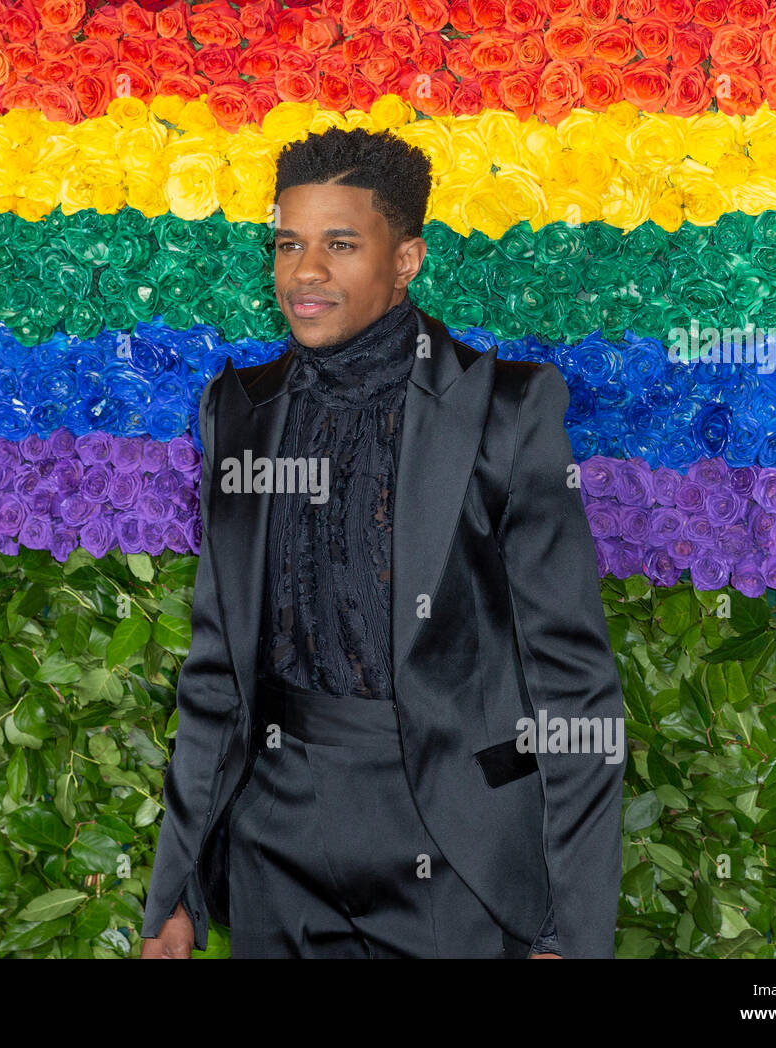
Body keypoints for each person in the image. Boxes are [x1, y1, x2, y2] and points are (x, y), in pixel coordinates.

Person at [139, 127, 625, 959]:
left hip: (458, 849)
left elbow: (575, 692)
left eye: (340, 244)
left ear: (406, 260)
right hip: (274, 846)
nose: (305, 273)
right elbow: (217, 669)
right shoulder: (238, 411)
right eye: (288, 244)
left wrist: (566, 930)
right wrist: (175, 890)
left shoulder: (507, 410)